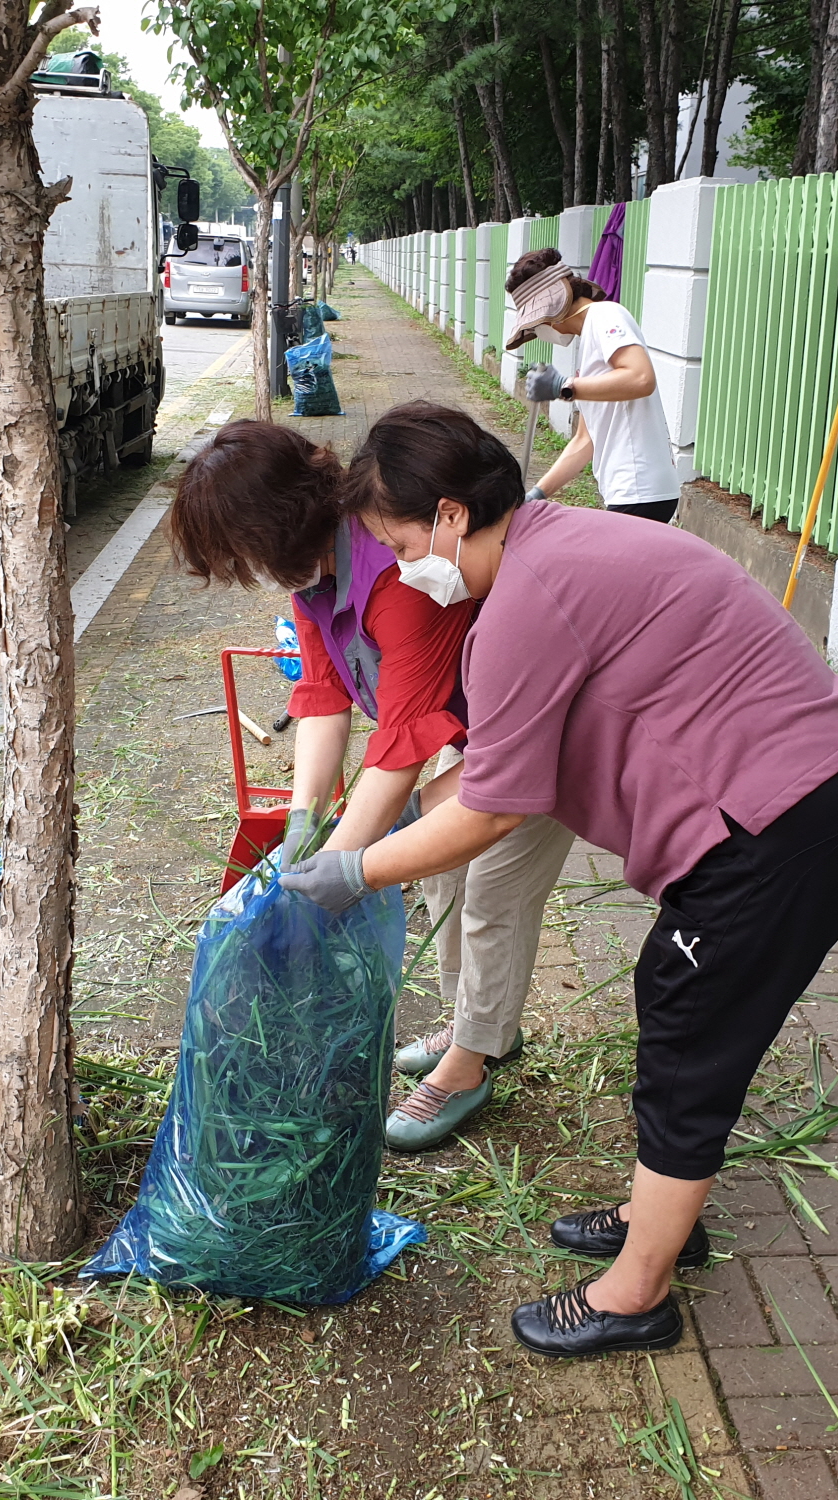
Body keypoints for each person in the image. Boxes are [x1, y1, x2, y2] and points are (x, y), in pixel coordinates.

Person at [282, 402, 838, 1359]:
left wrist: (355, 870)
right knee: (686, 1014)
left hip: (783, 825)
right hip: (799, 797)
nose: (401, 568)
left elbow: (492, 809)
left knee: (689, 1040)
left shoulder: (528, 596)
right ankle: (661, 1218)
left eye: (401, 543)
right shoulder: (553, 546)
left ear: (449, 516)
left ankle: (634, 1295)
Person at [167, 419, 574, 1152]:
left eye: (246, 555)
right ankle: (476, 1025)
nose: (252, 573)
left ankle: (469, 1064)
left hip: (528, 727)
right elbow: (322, 697)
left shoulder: (393, 568)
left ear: (278, 525)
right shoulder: (313, 578)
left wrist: (341, 870)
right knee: (442, 876)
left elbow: (401, 740)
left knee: (491, 893)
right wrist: (302, 823)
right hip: (457, 730)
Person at [506, 247, 680, 524]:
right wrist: (538, 493)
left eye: (538, 322)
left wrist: (564, 386)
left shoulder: (606, 316)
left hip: (640, 488)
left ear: (552, 308)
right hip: (627, 491)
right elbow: (585, 441)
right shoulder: (588, 341)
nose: (541, 329)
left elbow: (640, 378)